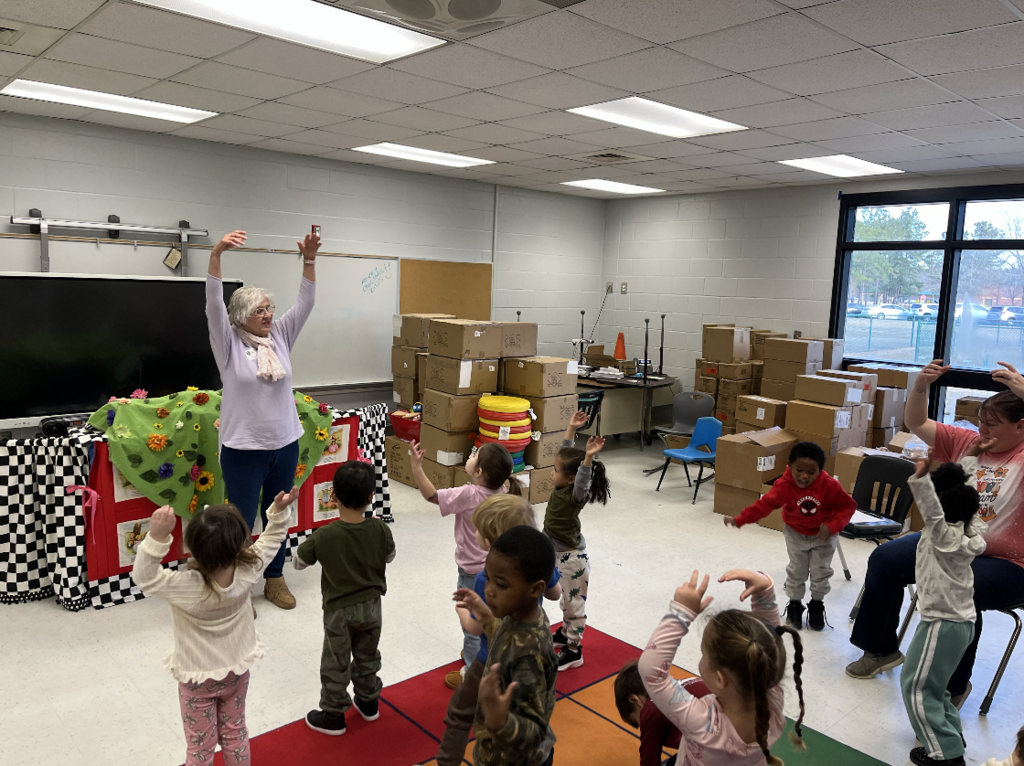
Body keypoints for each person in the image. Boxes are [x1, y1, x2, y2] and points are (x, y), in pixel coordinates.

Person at [847, 359, 1024, 709]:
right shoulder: (967, 442)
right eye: (980, 422)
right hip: (951, 542)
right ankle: (880, 649)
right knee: (885, 559)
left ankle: (952, 686)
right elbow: (916, 422)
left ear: (1021, 427)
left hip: (1008, 562)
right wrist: (920, 386)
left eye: (993, 425)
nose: (982, 430)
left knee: (960, 589)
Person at [132, 487, 298, 766]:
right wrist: (278, 511)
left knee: (200, 747)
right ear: (239, 543)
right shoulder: (250, 569)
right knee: (235, 734)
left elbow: (145, 577)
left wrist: (157, 537)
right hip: (236, 670)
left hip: (197, 680)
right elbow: (272, 539)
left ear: (194, 547)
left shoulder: (185, 586)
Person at [206, 229, 322, 611]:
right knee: (238, 521)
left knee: (277, 515)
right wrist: (217, 254)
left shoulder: (281, 337)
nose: (269, 314)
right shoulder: (228, 343)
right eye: (259, 310)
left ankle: (274, 578)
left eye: (269, 307)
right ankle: (237, 588)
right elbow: (212, 306)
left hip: (284, 444)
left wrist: (308, 261)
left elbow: (305, 303)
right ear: (241, 316)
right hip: (242, 448)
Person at [435, 494, 561, 766]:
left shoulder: (530, 654)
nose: (489, 590)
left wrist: (499, 720)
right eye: (488, 580)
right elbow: (504, 635)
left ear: (534, 589)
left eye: (500, 585)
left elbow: (535, 728)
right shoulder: (517, 617)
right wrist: (485, 615)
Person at [638, 569, 806, 766]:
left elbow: (651, 672)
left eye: (704, 654)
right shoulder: (773, 704)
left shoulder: (703, 723)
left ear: (720, 679)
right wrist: (765, 591)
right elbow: (765, 646)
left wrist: (680, 612)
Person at [409, 440, 524, 686]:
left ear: (479, 471)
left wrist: (417, 467)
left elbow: (431, 496)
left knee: (473, 624)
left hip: (472, 571)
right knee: (492, 615)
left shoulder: (468, 494)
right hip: (497, 568)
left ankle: (474, 674)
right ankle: (489, 658)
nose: (471, 456)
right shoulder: (503, 490)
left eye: (475, 455)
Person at [295, 460, 396, 736]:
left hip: (339, 611)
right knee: (367, 654)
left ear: (334, 496)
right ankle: (368, 702)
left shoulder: (324, 535)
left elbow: (298, 563)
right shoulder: (379, 529)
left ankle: (333, 715)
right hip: (372, 606)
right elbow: (390, 556)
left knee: (335, 660)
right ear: (369, 497)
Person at [902, 454, 987, 766]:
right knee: (935, 687)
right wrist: (972, 458)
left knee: (916, 687)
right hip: (963, 623)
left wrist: (922, 478)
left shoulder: (941, 536)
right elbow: (969, 492)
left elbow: (931, 507)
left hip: (941, 623)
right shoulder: (972, 530)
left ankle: (945, 756)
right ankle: (952, 738)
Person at [724, 441, 856, 631]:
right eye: (799, 470)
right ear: (790, 466)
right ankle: (795, 604)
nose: (804, 476)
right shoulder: (784, 485)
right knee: (797, 571)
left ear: (820, 470)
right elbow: (765, 505)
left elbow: (848, 506)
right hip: (795, 534)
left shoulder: (829, 485)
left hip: (823, 536)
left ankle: (817, 604)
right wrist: (741, 519)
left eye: (811, 472)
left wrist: (833, 525)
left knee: (821, 571)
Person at [545, 411, 611, 671]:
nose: (552, 473)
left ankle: (574, 651)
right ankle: (564, 633)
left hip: (572, 560)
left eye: (555, 471)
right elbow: (564, 456)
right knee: (566, 602)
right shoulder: (561, 486)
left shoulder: (575, 495)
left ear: (570, 479)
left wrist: (589, 457)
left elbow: (581, 477)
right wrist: (571, 429)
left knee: (574, 605)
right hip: (558, 554)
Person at [614, 660, 711, 766]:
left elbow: (649, 760)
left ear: (635, 700)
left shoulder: (651, 707)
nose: (643, 727)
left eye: (638, 721)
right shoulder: (692, 681)